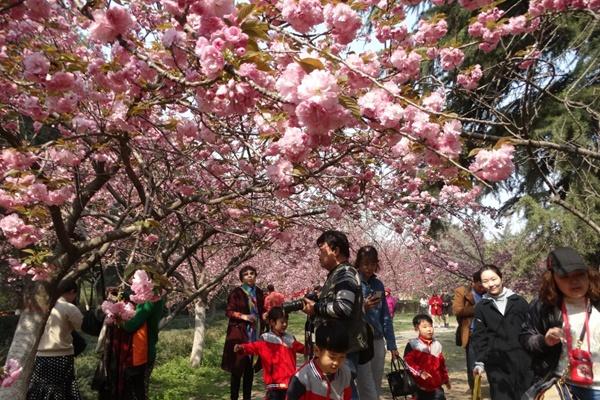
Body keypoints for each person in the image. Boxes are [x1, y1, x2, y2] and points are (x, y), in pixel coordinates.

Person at [520, 247, 600, 399]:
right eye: (565, 277)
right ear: (552, 279)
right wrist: (544, 341)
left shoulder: (597, 301)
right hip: (563, 387)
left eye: (579, 275)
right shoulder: (543, 307)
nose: (575, 281)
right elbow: (525, 337)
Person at [301, 230, 367, 400]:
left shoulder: (345, 273)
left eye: (322, 250)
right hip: (338, 346)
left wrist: (316, 308)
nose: (318, 255)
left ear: (335, 251)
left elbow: (343, 308)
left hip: (342, 349)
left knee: (345, 393)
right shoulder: (339, 273)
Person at [471, 264, 533, 400]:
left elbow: (531, 330)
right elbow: (479, 336)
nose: (491, 284)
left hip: (523, 362)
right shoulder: (482, 307)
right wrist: (480, 362)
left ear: (501, 278)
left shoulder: (519, 302)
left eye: (494, 279)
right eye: (485, 281)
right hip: (497, 364)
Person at [355, 245, 400, 399]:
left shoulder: (378, 285)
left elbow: (385, 316)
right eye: (365, 264)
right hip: (361, 341)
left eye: (373, 264)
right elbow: (347, 311)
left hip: (378, 340)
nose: (369, 268)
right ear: (359, 264)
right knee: (365, 385)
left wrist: (392, 344)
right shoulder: (353, 283)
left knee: (375, 382)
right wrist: (363, 307)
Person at [27, 279, 84, 400]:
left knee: (40, 390)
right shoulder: (69, 308)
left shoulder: (40, 306)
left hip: (40, 355)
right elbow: (80, 326)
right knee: (62, 390)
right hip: (62, 355)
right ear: (72, 291)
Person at [234, 307, 305, 400]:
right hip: (273, 385)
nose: (285, 324)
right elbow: (254, 346)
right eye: (282, 322)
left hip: (289, 384)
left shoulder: (290, 338)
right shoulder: (266, 338)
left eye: (286, 322)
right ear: (272, 322)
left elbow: (303, 349)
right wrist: (242, 347)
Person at [221, 265, 265, 400]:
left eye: (252, 273)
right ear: (241, 278)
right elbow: (228, 312)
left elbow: (261, 310)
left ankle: (247, 397)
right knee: (237, 368)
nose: (250, 276)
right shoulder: (236, 293)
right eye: (246, 274)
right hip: (239, 334)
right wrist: (244, 316)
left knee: (249, 369)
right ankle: (233, 397)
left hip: (255, 334)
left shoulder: (258, 292)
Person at [287, 320, 352, 400]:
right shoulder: (301, 379)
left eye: (342, 357)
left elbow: (347, 397)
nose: (336, 362)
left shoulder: (345, 373)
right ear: (317, 351)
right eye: (332, 357)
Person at [121, 295, 165, 400]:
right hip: (145, 351)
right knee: (140, 391)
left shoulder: (150, 300)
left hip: (141, 354)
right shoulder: (155, 298)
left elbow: (131, 325)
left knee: (138, 393)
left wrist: (118, 319)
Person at [452, 270, 486, 392]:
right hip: (472, 334)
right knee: (473, 365)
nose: (483, 288)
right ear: (473, 283)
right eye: (480, 285)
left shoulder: (491, 291)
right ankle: (474, 391)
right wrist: (477, 308)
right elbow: (457, 310)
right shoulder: (462, 291)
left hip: (490, 334)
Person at [404, 314, 450, 400]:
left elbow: (442, 365)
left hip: (436, 386)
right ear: (416, 328)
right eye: (425, 327)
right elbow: (407, 363)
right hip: (419, 387)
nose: (429, 329)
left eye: (430, 326)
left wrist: (445, 379)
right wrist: (420, 372)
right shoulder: (413, 345)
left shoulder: (437, 345)